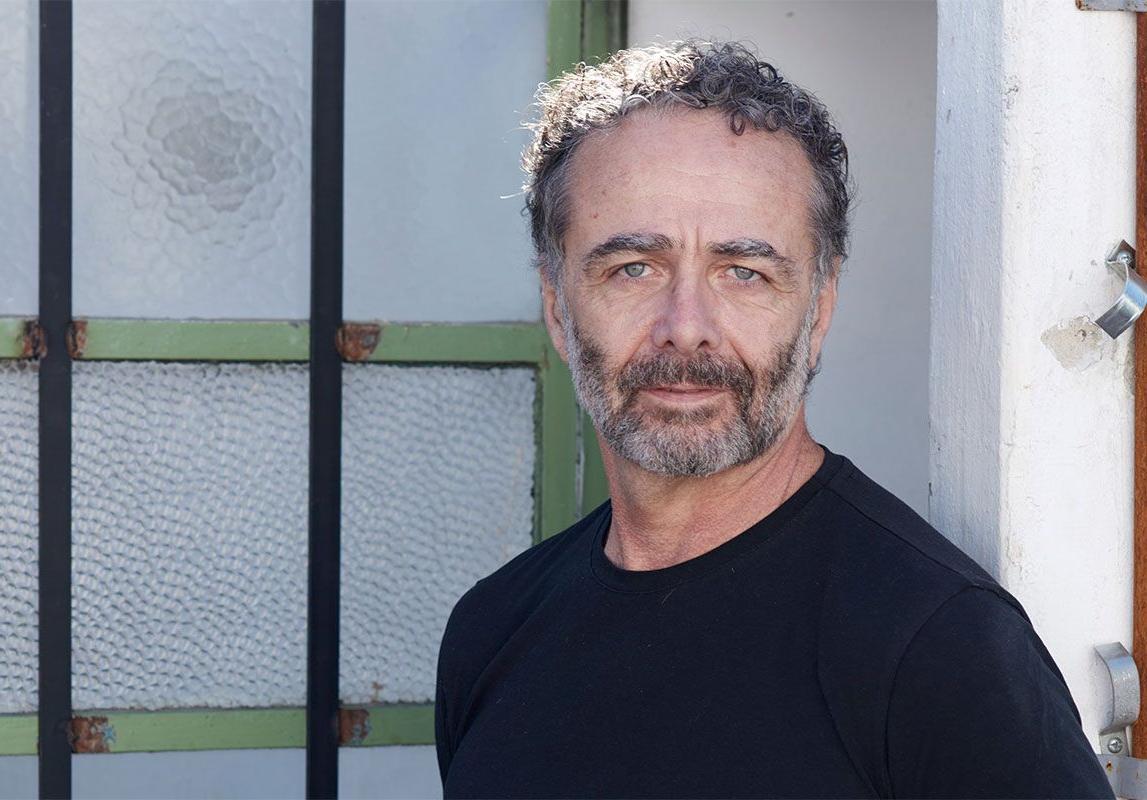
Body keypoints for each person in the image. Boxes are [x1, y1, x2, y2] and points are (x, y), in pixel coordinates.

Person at [434, 40, 1113, 798]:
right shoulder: (491, 632)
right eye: (633, 268)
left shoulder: (942, 648)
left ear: (818, 310)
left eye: (744, 272)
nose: (686, 328)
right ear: (557, 307)